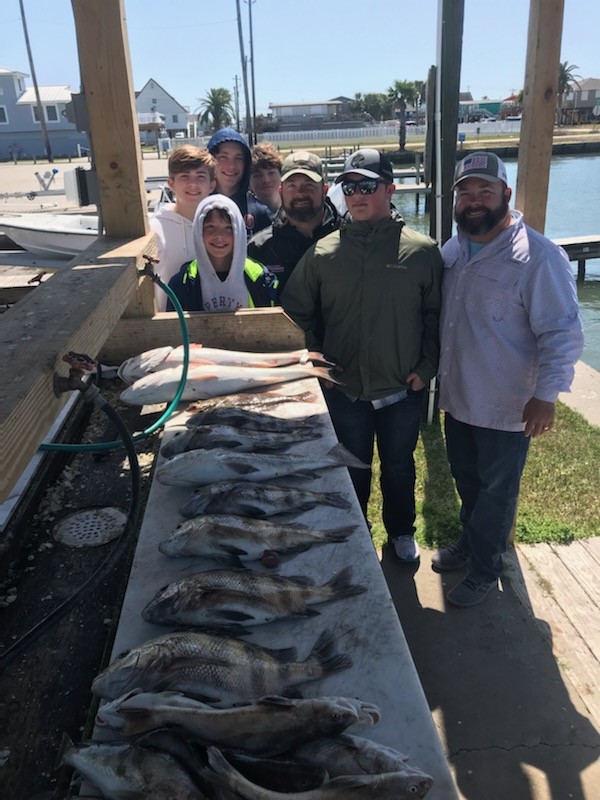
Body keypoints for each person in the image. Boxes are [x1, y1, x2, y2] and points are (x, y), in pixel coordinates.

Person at [434, 151, 584, 607]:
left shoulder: (539, 257)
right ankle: (470, 541)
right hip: (459, 398)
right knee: (466, 479)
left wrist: (547, 396)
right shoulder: (453, 250)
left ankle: (484, 568)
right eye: (465, 192)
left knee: (497, 492)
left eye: (485, 190)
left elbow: (562, 332)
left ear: (506, 194)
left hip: (507, 406)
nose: (474, 200)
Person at [282, 148, 443, 562]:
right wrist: (312, 354)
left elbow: (437, 316)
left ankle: (401, 533)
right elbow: (295, 313)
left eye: (367, 185)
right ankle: (354, 534)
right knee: (351, 467)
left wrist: (427, 369)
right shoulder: (323, 253)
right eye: (349, 187)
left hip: (401, 389)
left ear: (389, 189)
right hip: (344, 389)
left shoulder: (422, 251)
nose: (357, 195)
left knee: (399, 467)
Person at [248, 150, 341, 293]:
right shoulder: (259, 249)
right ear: (281, 192)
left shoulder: (349, 238)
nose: (300, 192)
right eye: (292, 185)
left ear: (325, 190)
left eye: (309, 184)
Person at [167, 194, 278, 313]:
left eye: (228, 228)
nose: (219, 236)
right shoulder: (182, 283)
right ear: (198, 231)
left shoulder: (261, 279)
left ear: (239, 231)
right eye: (210, 227)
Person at [149, 145, 216, 311]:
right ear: (171, 183)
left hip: (214, 321)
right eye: (184, 176)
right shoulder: (152, 228)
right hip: (167, 326)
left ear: (212, 185)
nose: (193, 184)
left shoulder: (221, 227)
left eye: (200, 176)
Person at [207, 128, 274, 238]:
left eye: (238, 158)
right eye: (223, 157)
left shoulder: (261, 213)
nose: (231, 166)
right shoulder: (197, 207)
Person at [249, 142, 283, 213]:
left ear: (281, 175)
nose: (266, 180)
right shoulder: (245, 216)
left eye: (271, 173)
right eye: (258, 175)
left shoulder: (293, 211)